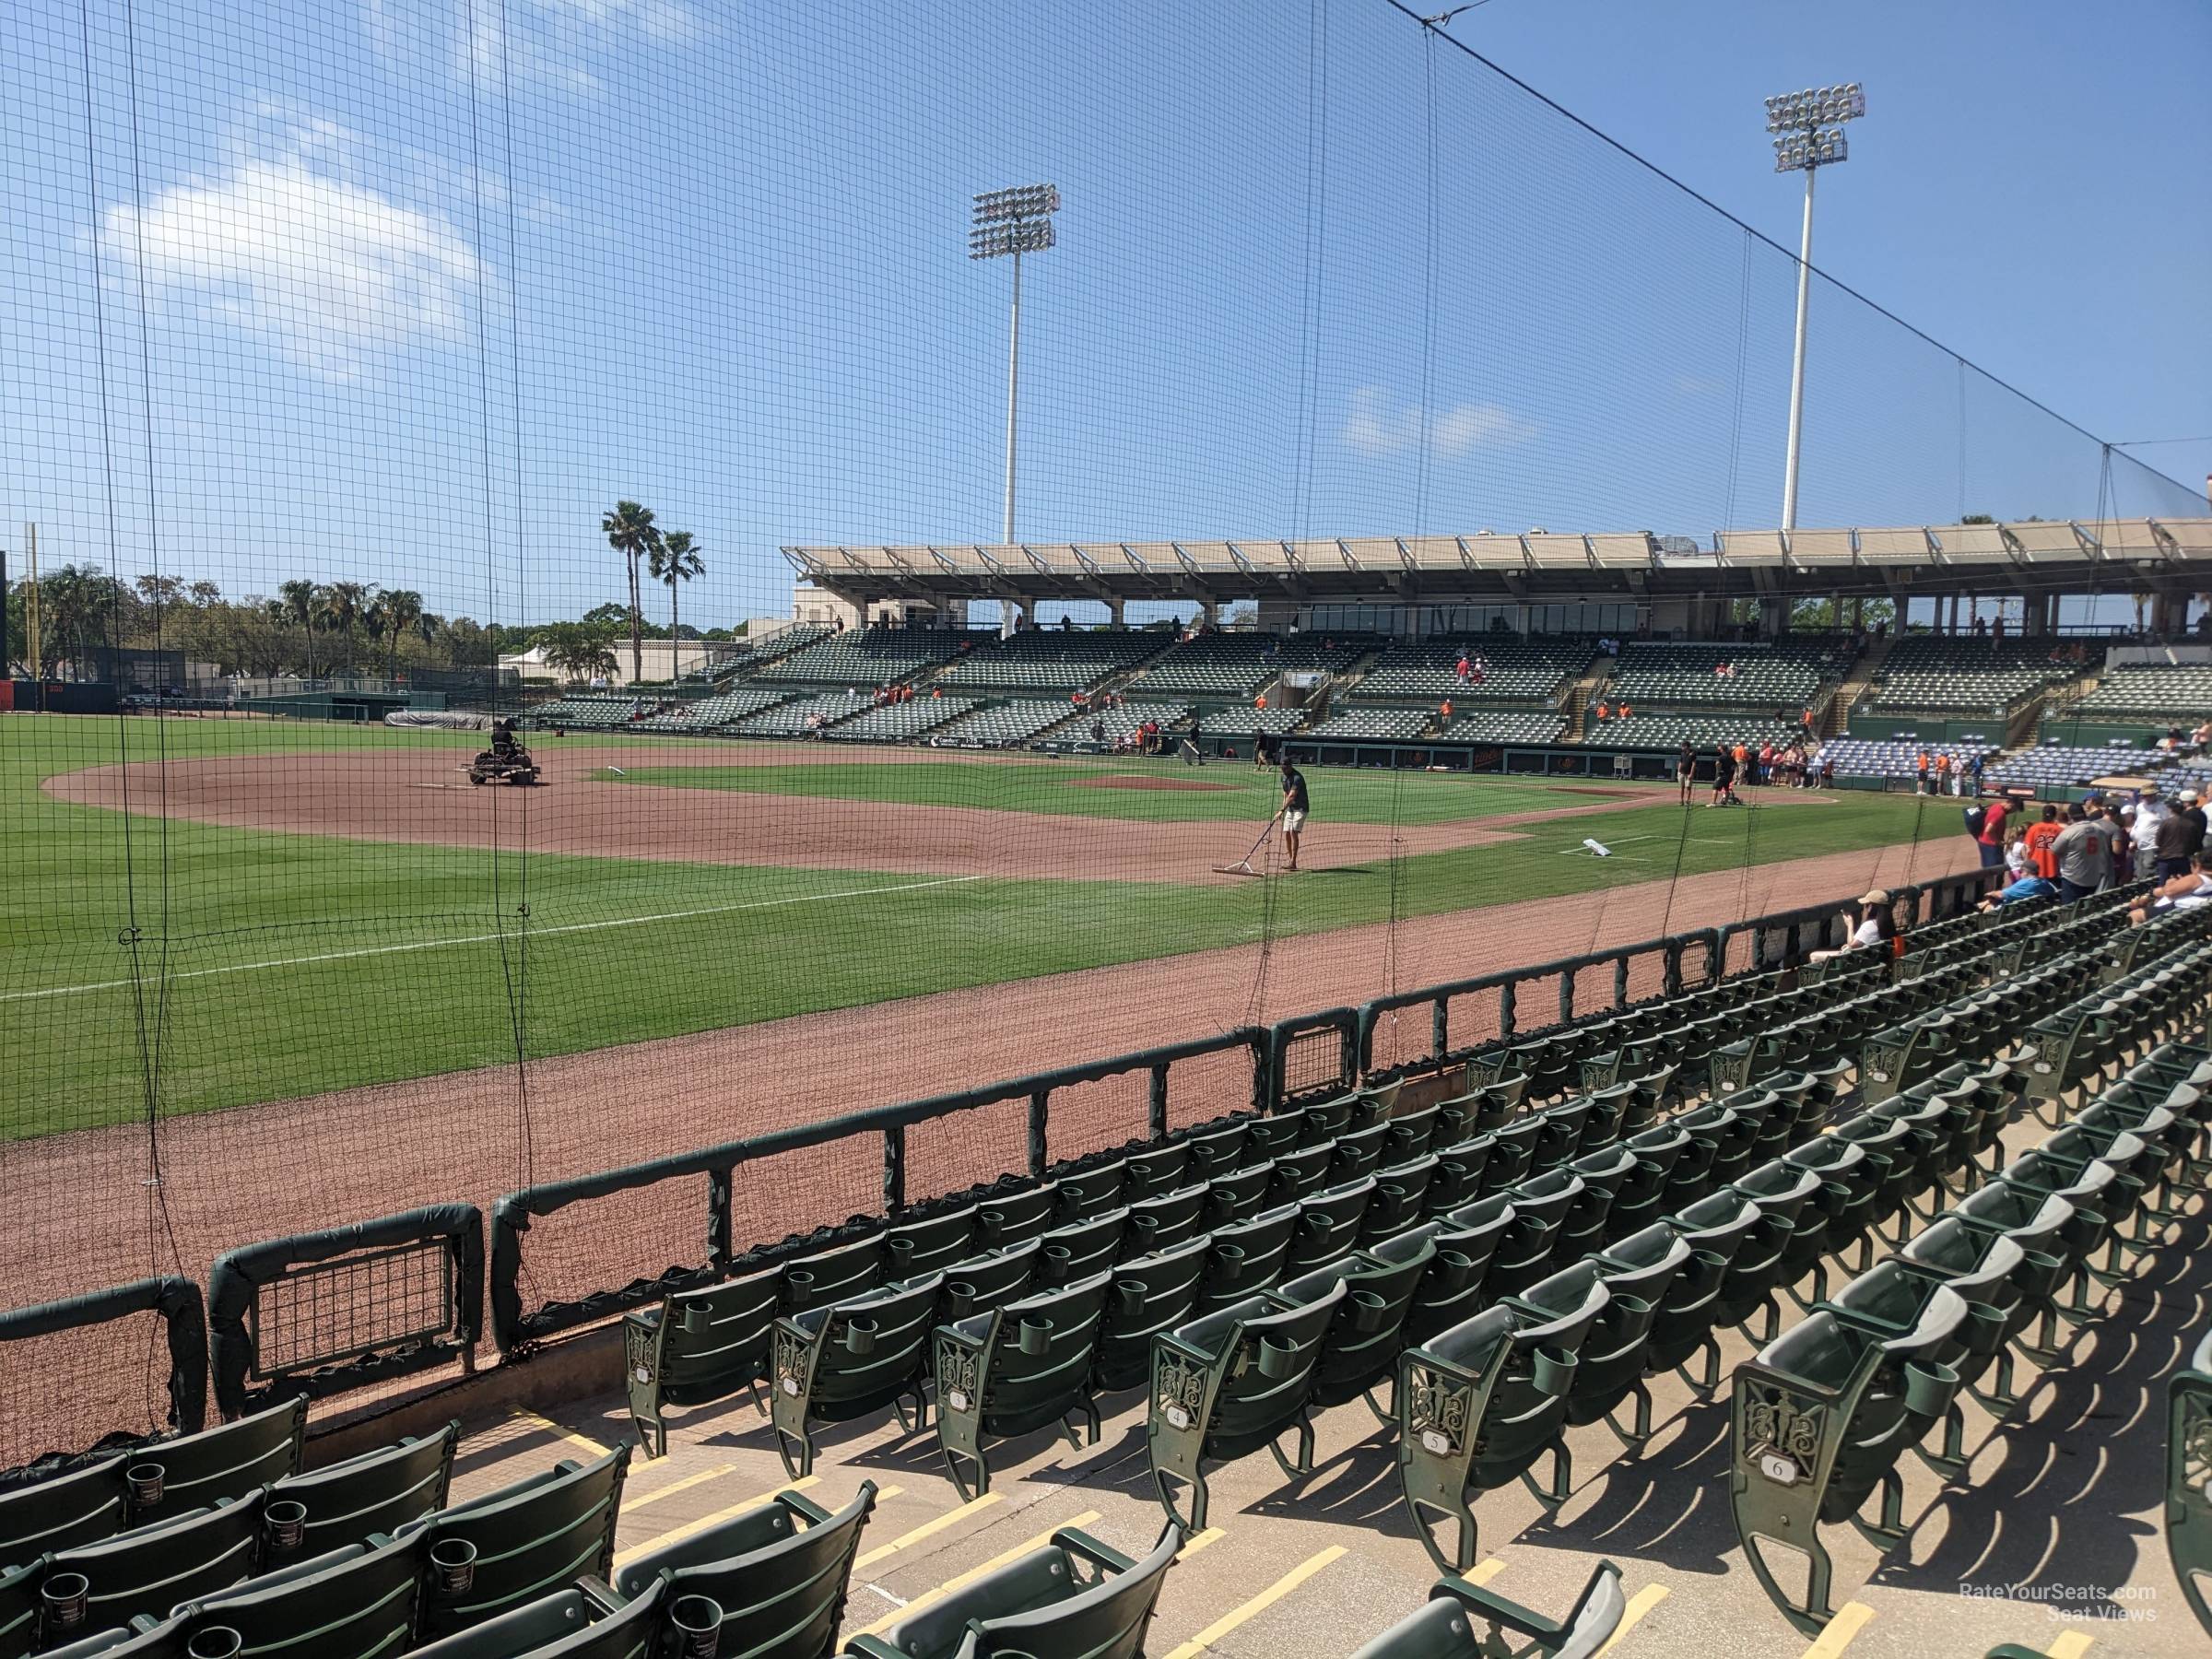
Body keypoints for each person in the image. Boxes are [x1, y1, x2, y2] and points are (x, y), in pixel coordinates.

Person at [2052, 802, 2115, 901]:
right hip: (2093, 876)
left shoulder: (2070, 831)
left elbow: (2055, 850)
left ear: (2070, 816)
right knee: (2086, 910)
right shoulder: (2099, 829)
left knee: (2070, 910)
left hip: (2073, 877)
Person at [1809, 889, 1895, 962]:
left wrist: (1850, 924)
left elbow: (1851, 948)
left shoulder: (1870, 925)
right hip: (1872, 961)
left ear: (1871, 907)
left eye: (1866, 905)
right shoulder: (1888, 924)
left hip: (1857, 961)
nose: (1864, 907)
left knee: (1813, 956)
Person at [1278, 757, 1310, 872]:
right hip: (1290, 809)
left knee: (1293, 832)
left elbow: (1292, 796)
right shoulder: (1283, 777)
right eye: (1282, 767)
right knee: (1286, 832)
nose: (1283, 770)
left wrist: (1281, 810)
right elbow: (1285, 795)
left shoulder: (1297, 778)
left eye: (1285, 768)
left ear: (1290, 766)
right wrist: (1283, 809)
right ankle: (1290, 860)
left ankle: (1293, 862)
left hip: (1301, 808)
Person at [2022, 803, 2064, 880]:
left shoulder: (2034, 828)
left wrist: (2026, 864)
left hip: (2035, 867)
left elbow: (2027, 849)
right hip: (2052, 867)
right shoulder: (2059, 830)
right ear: (2055, 815)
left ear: (2042, 814)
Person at [1973, 793, 2010, 869]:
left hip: (1983, 841)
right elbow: (1988, 830)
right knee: (1995, 871)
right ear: (2011, 804)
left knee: (1986, 869)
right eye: (2014, 809)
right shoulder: (2000, 813)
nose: (2012, 811)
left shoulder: (1995, 805)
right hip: (1991, 845)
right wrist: (1998, 841)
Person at [1676, 740, 1696, 806]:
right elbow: (1680, 762)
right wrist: (1678, 771)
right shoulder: (1682, 753)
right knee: (1682, 787)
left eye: (1682, 746)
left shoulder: (1693, 753)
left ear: (1686, 746)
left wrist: (1691, 773)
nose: (1681, 747)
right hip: (1681, 772)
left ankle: (1688, 800)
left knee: (1688, 787)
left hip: (1688, 773)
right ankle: (1681, 800)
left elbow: (1694, 764)